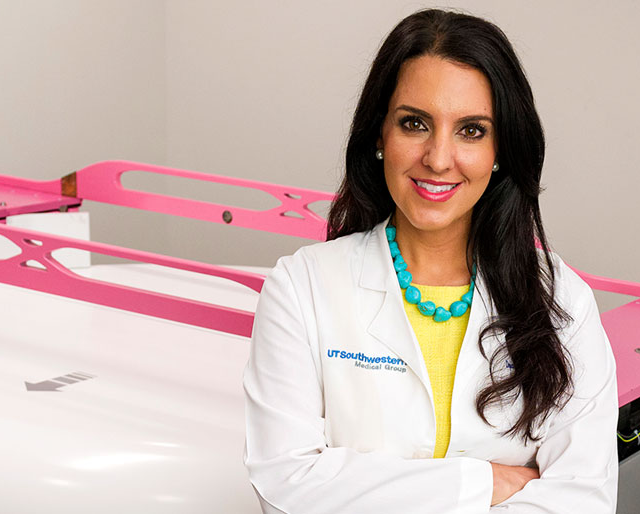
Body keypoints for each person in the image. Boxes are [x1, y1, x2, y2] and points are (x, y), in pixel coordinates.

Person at [243, 8, 618, 513]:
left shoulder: (561, 300)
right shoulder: (301, 287)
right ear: (380, 134)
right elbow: (286, 484)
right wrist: (482, 483)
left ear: (501, 149)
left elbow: (583, 499)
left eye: (471, 131)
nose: (438, 159)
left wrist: (361, 486)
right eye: (414, 124)